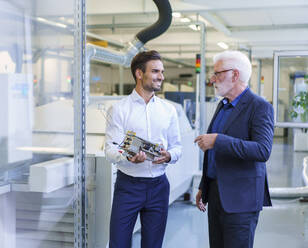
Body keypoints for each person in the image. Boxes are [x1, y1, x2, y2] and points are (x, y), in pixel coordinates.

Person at [194, 50, 274, 248]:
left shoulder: (259, 106)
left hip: (241, 200)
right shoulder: (223, 105)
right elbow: (214, 155)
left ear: (235, 75)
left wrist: (218, 141)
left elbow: (262, 150)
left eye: (218, 73)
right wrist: (205, 185)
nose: (212, 79)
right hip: (215, 194)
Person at [104, 50, 182, 248]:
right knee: (119, 243)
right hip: (128, 187)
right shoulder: (119, 109)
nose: (161, 77)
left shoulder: (168, 110)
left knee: (153, 245)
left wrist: (169, 155)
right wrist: (128, 157)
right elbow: (110, 150)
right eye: (155, 71)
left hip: (159, 186)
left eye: (162, 72)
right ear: (139, 73)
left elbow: (177, 147)